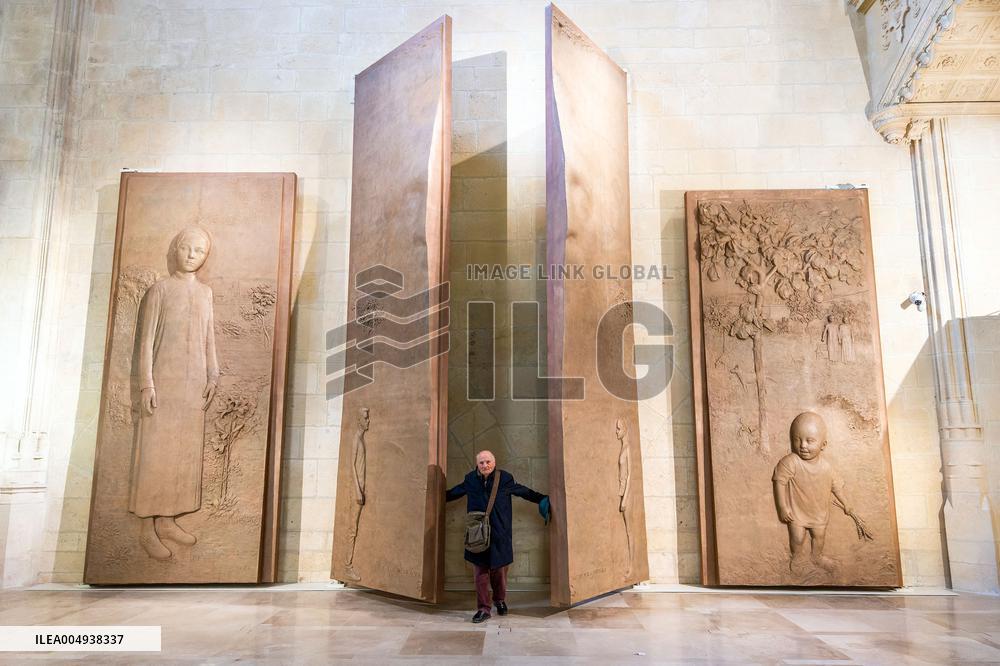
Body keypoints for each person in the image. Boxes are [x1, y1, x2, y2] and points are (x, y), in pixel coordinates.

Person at [129, 226, 219, 560]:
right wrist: (146, 384)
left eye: (200, 251)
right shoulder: (159, 291)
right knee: (155, 455)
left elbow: (209, 338)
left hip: (192, 385)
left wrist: (213, 373)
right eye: (187, 248)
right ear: (175, 249)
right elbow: (145, 343)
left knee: (181, 455)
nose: (192, 255)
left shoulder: (205, 293)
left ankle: (167, 520)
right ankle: (146, 529)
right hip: (163, 386)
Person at [446, 450, 549, 623]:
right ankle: (483, 609)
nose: (485, 465)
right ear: (477, 464)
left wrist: (542, 499)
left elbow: (522, 490)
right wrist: (432, 497)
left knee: (499, 572)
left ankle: (499, 600)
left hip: (499, 533)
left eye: (488, 462)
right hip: (477, 534)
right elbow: (455, 492)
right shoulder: (470, 479)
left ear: (494, 462)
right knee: (480, 573)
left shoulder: (505, 478)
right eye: (481, 463)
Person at [772, 411, 853, 573]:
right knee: (797, 538)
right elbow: (779, 482)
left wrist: (846, 503)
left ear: (823, 444)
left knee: (819, 537)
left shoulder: (827, 468)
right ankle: (797, 557)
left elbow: (836, 487)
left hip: (819, 513)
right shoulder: (791, 462)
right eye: (797, 439)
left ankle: (817, 557)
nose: (802, 445)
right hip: (796, 513)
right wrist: (782, 507)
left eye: (810, 441)